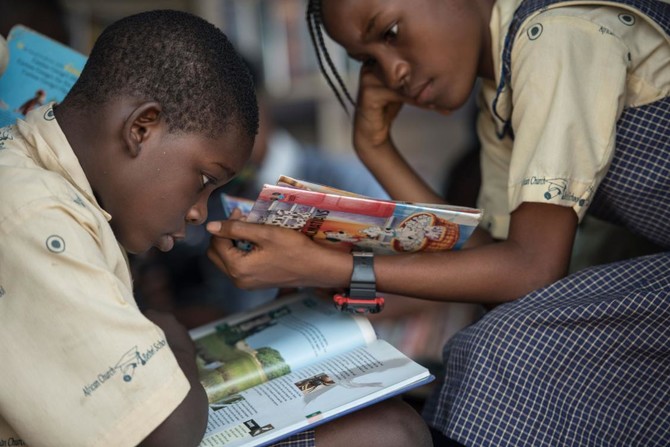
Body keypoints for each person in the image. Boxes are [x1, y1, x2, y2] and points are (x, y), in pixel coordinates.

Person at [206, 0, 670, 446]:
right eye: (368, 60)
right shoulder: (501, 92)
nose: (393, 73)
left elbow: (532, 270)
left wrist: (332, 268)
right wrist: (376, 149)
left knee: (504, 349)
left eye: (390, 32)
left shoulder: (556, 37)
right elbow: (497, 271)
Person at [0, 8, 430, 447]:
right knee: (385, 434)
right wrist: (169, 336)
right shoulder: (36, 218)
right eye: (205, 182)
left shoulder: (47, 185)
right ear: (142, 128)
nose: (200, 214)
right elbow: (165, 432)